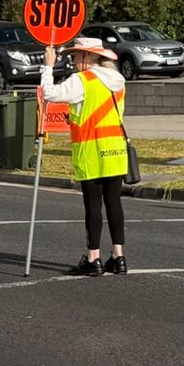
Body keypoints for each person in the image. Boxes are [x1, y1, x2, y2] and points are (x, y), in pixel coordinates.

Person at [41, 37, 129, 276]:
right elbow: (101, 112)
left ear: (88, 58)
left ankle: (94, 259)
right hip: (116, 151)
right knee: (114, 204)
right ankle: (118, 257)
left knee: (93, 206)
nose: (73, 60)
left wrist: (48, 66)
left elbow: (49, 93)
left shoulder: (81, 80)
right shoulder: (118, 80)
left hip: (91, 153)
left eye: (76, 56)